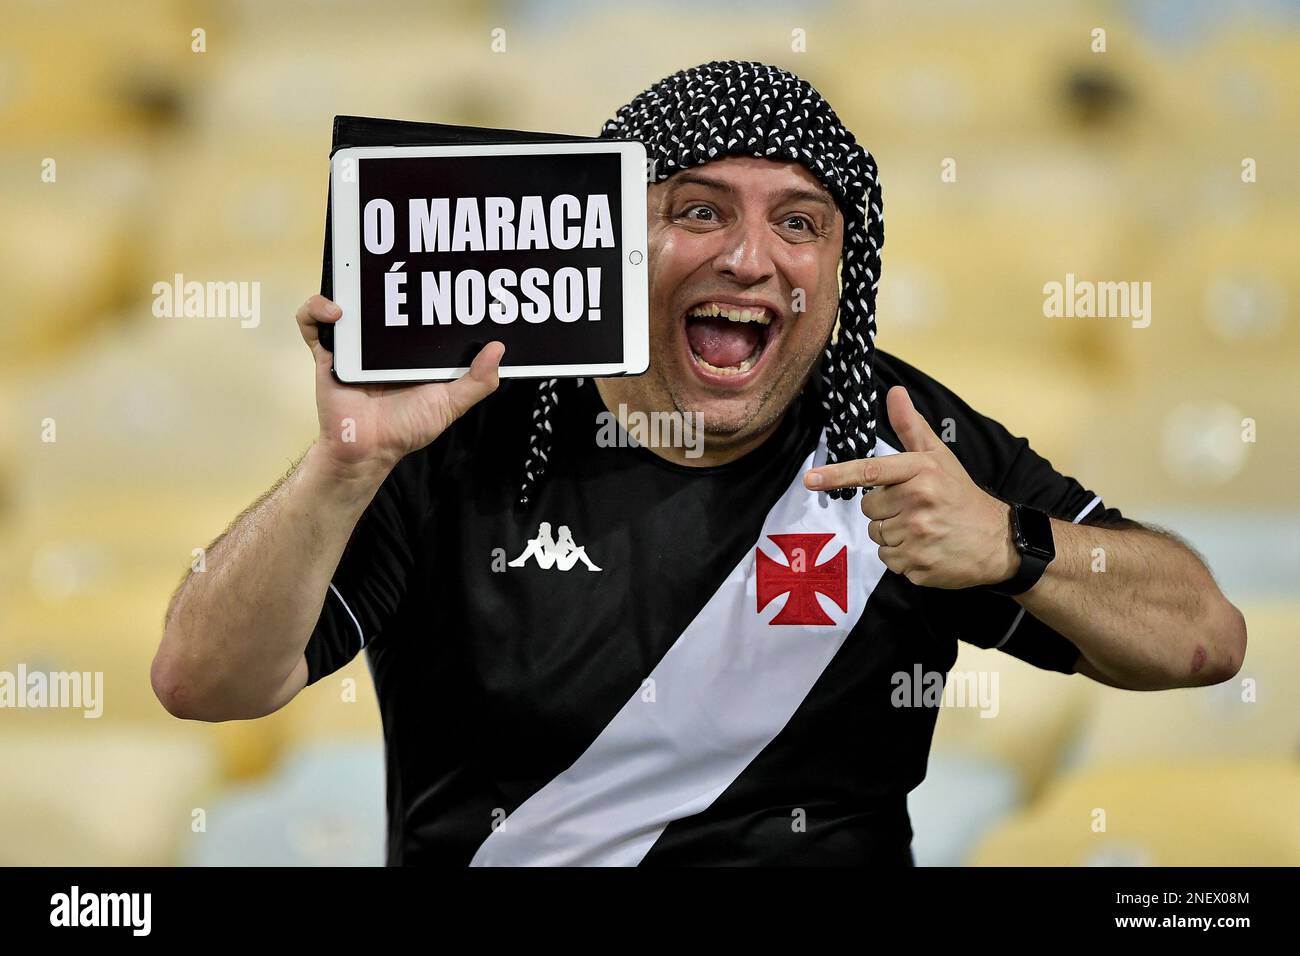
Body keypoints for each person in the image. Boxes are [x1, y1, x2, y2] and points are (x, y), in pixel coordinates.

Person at [153, 61, 1246, 866]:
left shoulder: (895, 426)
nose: (749, 256)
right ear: (612, 244)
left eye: (799, 223)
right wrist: (341, 468)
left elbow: (1202, 638)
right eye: (697, 210)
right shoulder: (463, 422)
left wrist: (1014, 547)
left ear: (838, 270)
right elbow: (203, 682)